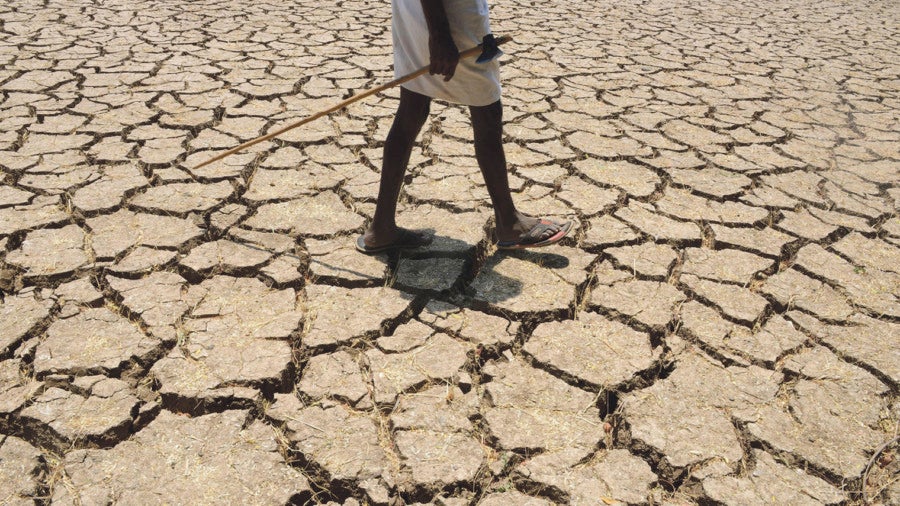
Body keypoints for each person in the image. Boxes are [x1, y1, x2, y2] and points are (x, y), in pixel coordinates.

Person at [356, 0, 571, 254]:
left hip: (415, 12)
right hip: (451, 16)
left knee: (412, 108)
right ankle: (509, 222)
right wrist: (440, 35)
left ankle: (381, 229)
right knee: (487, 111)